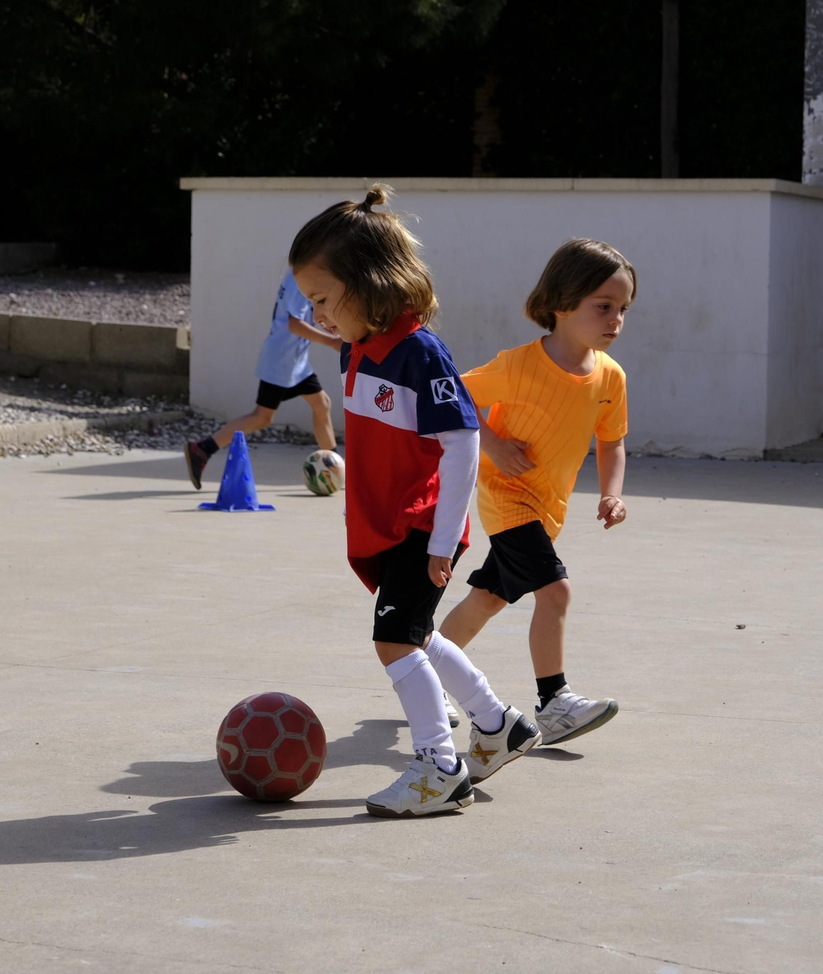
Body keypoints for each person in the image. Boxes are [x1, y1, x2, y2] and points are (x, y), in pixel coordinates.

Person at [289, 185, 539, 818]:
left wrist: (439, 543)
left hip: (421, 526)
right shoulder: (357, 346)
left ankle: (438, 765)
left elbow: (461, 443)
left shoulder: (420, 354)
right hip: (390, 522)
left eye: (322, 300)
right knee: (417, 635)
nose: (317, 314)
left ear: (369, 283)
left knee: (393, 641)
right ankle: (499, 724)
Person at [438, 238, 635, 746]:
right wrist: (495, 445)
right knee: (556, 590)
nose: (615, 320)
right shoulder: (517, 366)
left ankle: (428, 667)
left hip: (549, 508)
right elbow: (452, 399)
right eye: (604, 306)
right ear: (562, 303)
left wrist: (611, 493)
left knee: (487, 599)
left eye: (623, 309)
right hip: (506, 496)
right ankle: (554, 703)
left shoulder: (611, 377)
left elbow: (612, 444)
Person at [184, 270, 341, 489]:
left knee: (321, 403)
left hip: (295, 362)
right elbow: (294, 324)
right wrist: (332, 341)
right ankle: (202, 448)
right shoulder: (300, 280)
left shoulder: (298, 275)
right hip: (280, 362)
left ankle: (335, 468)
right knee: (262, 417)